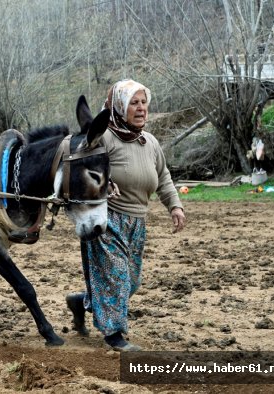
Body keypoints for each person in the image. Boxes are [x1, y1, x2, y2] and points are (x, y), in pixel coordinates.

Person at [66, 79, 186, 351]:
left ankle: (82, 302)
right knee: (117, 278)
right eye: (134, 103)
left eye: (144, 102)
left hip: (137, 222)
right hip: (108, 218)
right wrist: (105, 182)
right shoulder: (105, 136)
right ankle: (114, 336)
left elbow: (163, 177)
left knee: (131, 281)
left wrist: (175, 205)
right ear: (120, 106)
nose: (141, 108)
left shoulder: (149, 142)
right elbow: (86, 164)